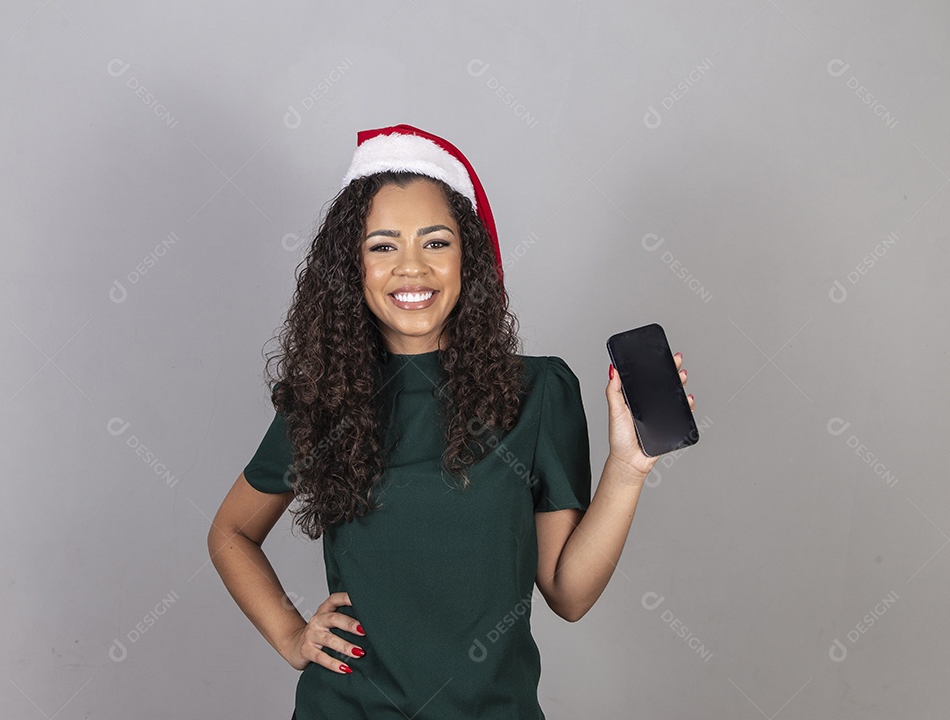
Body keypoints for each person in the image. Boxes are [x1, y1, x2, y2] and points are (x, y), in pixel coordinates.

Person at [207, 124, 693, 720]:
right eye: (382, 246)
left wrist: (628, 465)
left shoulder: (537, 392)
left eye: (435, 242)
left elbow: (569, 593)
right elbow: (231, 533)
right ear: (350, 268)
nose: (411, 268)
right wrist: (289, 634)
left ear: (470, 256)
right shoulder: (324, 400)